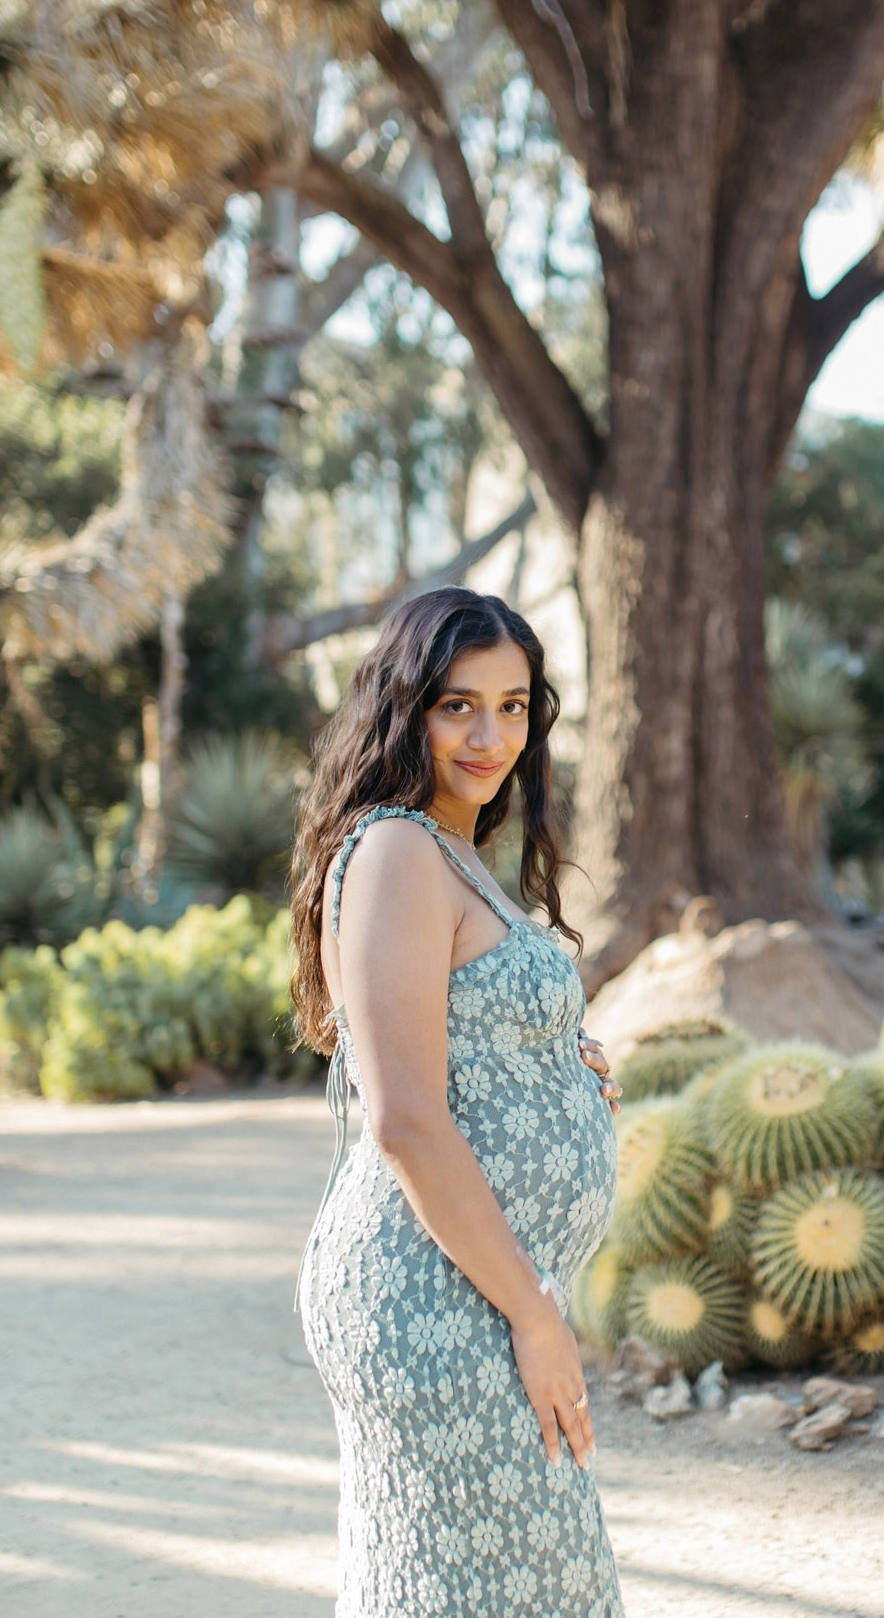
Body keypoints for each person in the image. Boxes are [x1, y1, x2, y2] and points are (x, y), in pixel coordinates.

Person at [291, 587, 626, 1616]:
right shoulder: (396, 848)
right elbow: (401, 1114)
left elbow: (457, 1039)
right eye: (458, 704)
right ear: (405, 709)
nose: (491, 735)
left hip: (476, 1287)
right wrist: (534, 1312)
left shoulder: (451, 856)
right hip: (439, 1294)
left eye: (514, 706)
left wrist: (558, 1064)